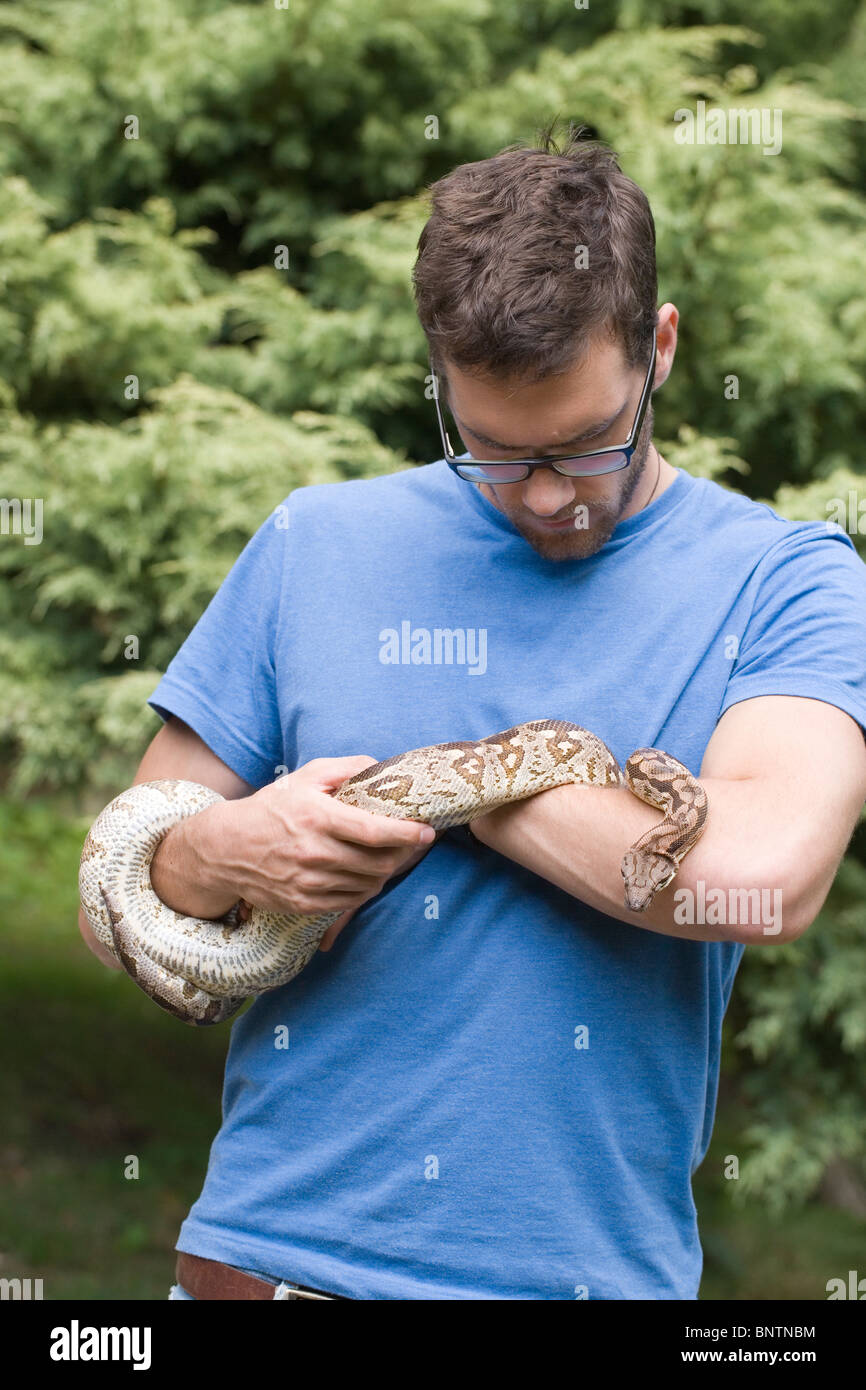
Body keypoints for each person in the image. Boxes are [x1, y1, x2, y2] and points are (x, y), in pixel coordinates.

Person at [79, 128, 866, 1301]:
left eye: (583, 446)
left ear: (657, 349)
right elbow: (123, 896)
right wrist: (222, 846)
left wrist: (464, 783)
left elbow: (760, 877)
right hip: (259, 1272)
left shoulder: (785, 580)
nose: (544, 495)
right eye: (493, 451)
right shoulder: (316, 541)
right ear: (438, 377)